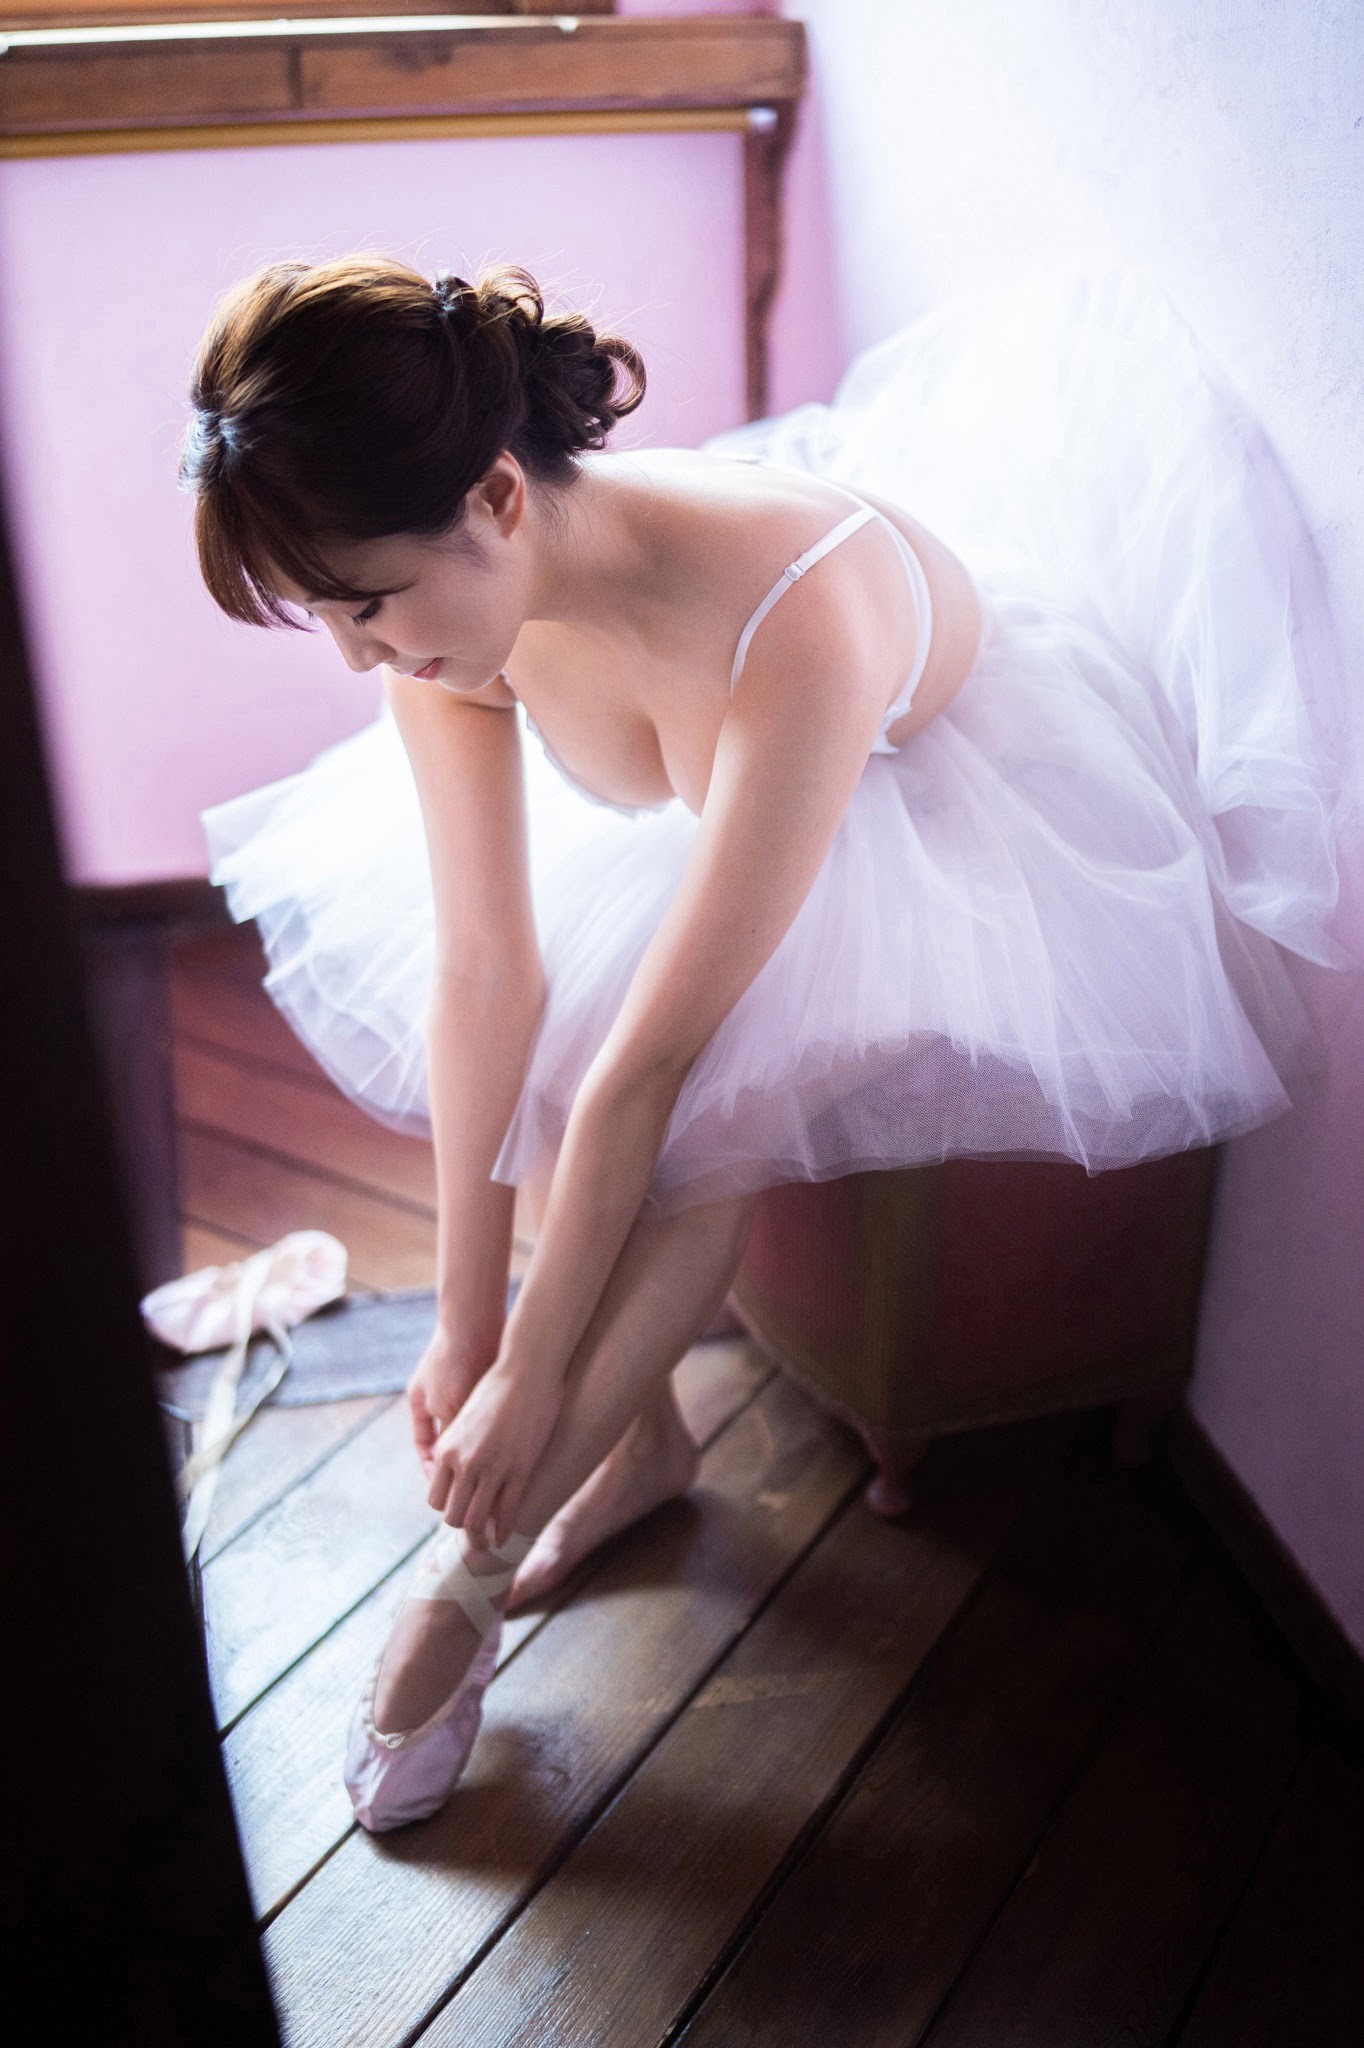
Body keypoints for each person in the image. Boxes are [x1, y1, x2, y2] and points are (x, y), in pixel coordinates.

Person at [183, 256, 1352, 1832]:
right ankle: (643, 1450)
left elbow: (650, 1075)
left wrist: (529, 1376)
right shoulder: (449, 630)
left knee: (686, 1126)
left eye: (366, 603)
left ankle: (453, 1599)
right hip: (702, 762)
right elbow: (482, 971)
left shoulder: (799, 617)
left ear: (499, 499)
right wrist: (462, 1329)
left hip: (906, 781)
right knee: (553, 1045)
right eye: (325, 615)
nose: (353, 655)